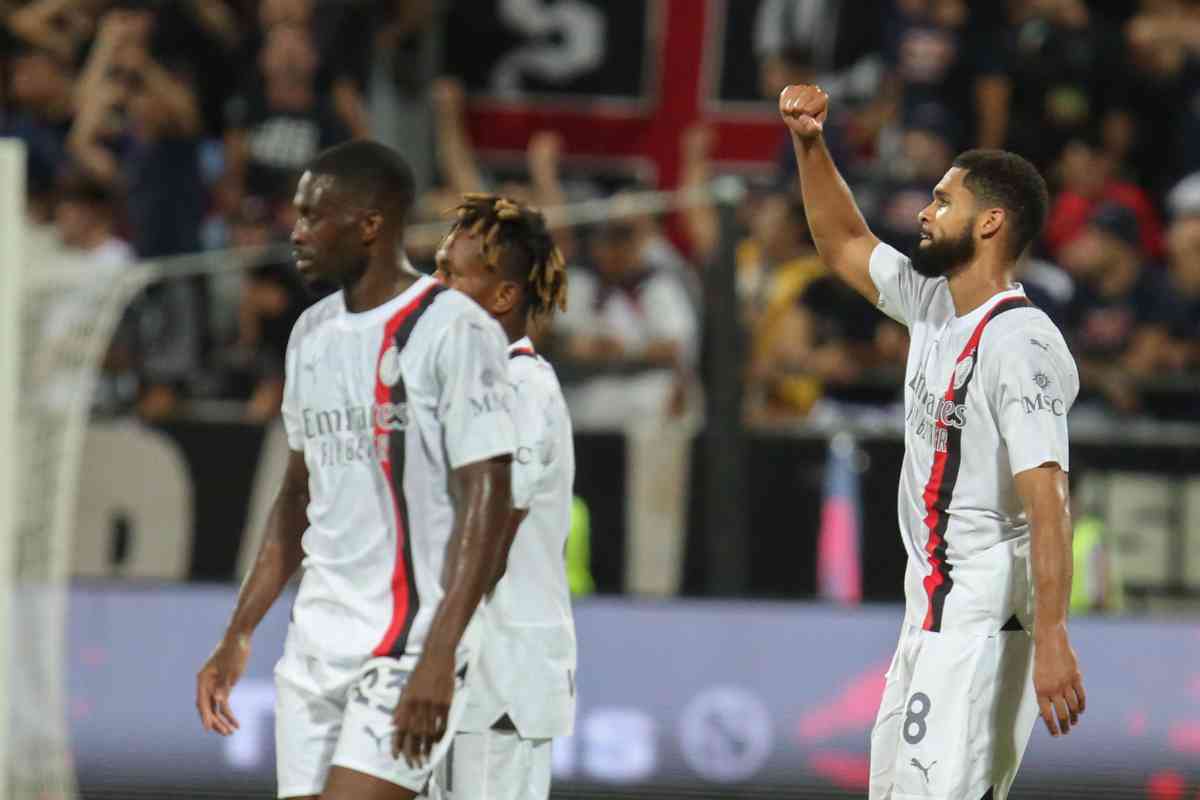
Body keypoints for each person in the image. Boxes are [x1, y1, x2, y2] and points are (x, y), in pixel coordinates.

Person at [779, 85, 1086, 799]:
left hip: (983, 618)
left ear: (991, 222)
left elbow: (1049, 502)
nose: (923, 210)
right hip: (930, 609)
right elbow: (844, 242)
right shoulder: (932, 303)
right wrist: (810, 143)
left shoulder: (1023, 342)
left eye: (944, 200)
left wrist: (1053, 636)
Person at [195, 140, 518, 800]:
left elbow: (490, 494)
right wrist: (238, 632)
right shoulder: (309, 333)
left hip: (407, 644)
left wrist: (439, 653)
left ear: (370, 223)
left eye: (314, 215)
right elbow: (294, 495)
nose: (297, 231)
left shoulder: (452, 329)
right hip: (315, 645)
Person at [431, 194, 574, 800]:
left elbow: (489, 542)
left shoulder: (520, 389)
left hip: (497, 681)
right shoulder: (466, 387)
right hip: (458, 673)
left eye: (450, 274)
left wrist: (430, 652)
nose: (432, 285)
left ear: (503, 296)